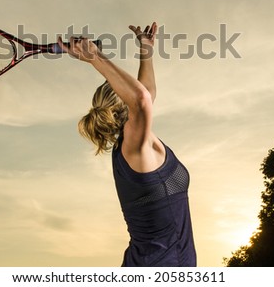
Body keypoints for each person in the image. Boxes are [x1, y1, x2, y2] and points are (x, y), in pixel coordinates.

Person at [57, 22, 196, 267]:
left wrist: (146, 49)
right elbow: (142, 98)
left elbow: (146, 94)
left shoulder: (141, 142)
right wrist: (95, 58)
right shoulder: (133, 148)